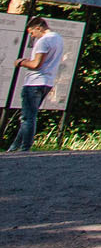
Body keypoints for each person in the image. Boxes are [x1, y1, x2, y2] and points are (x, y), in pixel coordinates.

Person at [8, 17, 61, 152]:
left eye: (32, 33)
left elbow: (36, 64)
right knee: (29, 115)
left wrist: (21, 62)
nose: (32, 36)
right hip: (47, 82)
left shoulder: (43, 41)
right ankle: (14, 147)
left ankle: (25, 148)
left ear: (38, 27)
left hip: (34, 82)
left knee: (27, 117)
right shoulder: (58, 38)